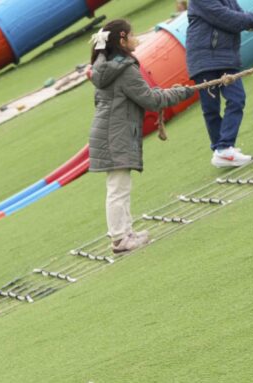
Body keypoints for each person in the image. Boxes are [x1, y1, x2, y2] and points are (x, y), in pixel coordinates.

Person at [89, 19, 195, 254]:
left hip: (111, 131)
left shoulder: (106, 67)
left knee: (121, 186)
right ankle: (120, 239)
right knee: (118, 187)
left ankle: (126, 233)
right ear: (122, 40)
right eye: (131, 34)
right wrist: (182, 91)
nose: (135, 38)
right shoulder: (123, 69)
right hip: (115, 133)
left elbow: (140, 94)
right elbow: (151, 101)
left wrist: (162, 92)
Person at [186, 0, 253, 167]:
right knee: (211, 108)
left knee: (237, 98)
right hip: (203, 60)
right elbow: (230, 19)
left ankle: (223, 149)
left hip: (227, 58)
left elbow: (242, 17)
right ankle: (222, 149)